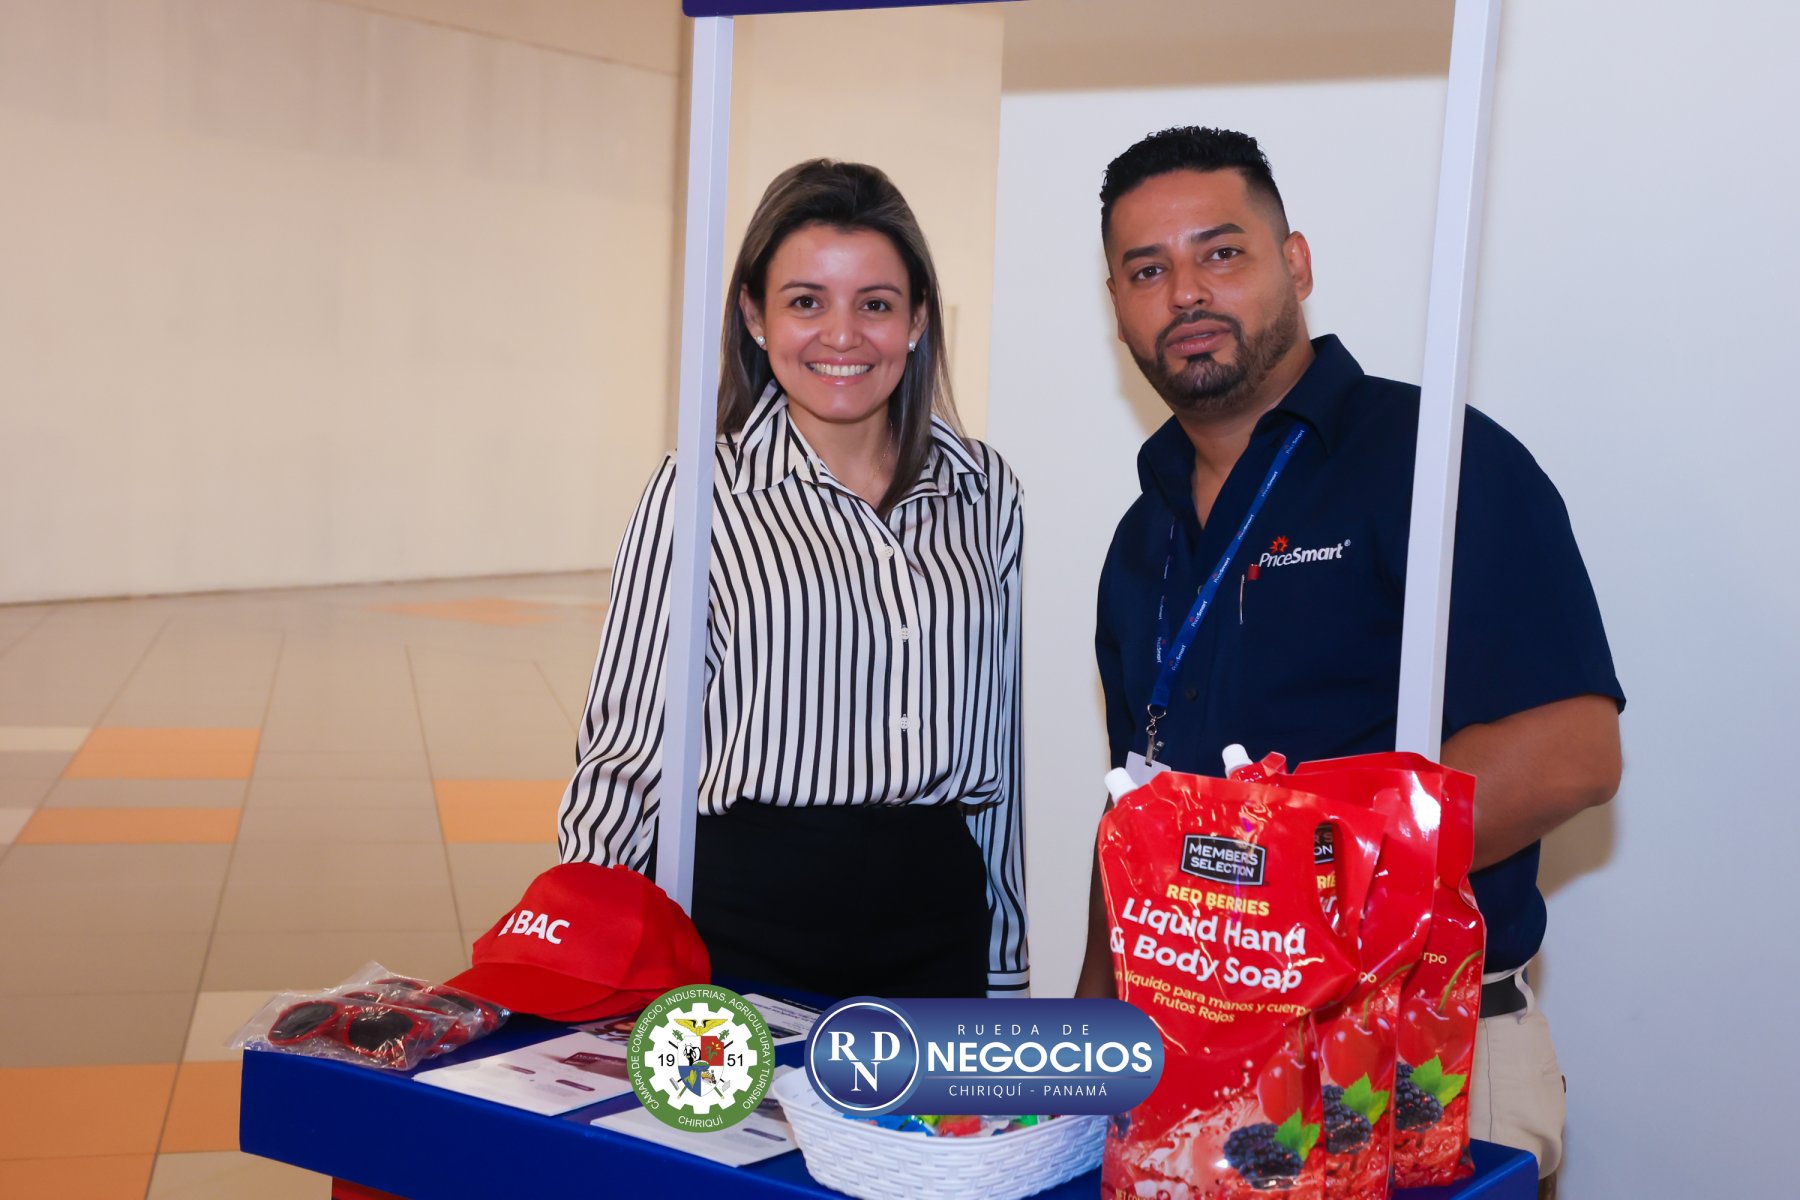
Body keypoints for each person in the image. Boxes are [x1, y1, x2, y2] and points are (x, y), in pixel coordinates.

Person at [1072, 127, 1623, 1193]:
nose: (1186, 292)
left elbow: (1573, 754)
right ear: (1118, 306)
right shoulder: (1141, 539)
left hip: (1413, 1062)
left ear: (1297, 263)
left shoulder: (1434, 459)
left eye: (1221, 252)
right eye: (1148, 270)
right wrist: (1088, 1047)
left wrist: (1292, 883)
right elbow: (1131, 811)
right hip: (1188, 1072)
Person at [557, 160, 1028, 1001]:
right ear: (754, 316)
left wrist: (1006, 964)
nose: (841, 336)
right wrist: (584, 958)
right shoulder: (698, 490)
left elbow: (1001, 752)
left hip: (938, 928)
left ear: (918, 320)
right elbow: (628, 752)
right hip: (744, 931)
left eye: (875, 304)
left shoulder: (985, 489)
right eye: (806, 301)